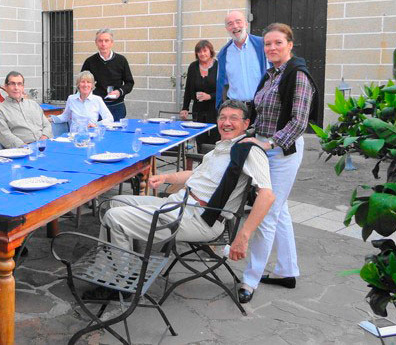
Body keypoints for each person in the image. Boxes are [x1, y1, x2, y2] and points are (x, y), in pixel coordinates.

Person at [87, 100, 275, 300]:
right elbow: (193, 175)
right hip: (179, 203)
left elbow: (267, 195)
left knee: (115, 217)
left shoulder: (249, 151)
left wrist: (243, 237)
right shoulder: (219, 149)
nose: (226, 123)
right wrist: (166, 177)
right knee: (116, 202)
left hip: (201, 219)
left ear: (246, 124)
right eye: (222, 117)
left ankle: (121, 286)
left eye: (233, 118)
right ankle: (123, 268)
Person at [239, 23, 320, 304]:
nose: (272, 48)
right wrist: (248, 134)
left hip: (281, 152)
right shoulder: (271, 75)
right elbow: (261, 113)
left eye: (277, 43)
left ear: (290, 44)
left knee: (266, 213)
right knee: (280, 210)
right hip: (264, 148)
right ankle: (287, 270)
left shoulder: (297, 75)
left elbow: (300, 122)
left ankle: (250, 280)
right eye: (268, 44)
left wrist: (269, 143)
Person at [215, 10, 268, 110]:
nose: (235, 26)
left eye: (238, 22)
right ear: (227, 29)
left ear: (246, 24)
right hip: (237, 108)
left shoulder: (262, 45)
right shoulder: (223, 54)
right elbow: (221, 84)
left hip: (262, 107)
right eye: (230, 24)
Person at [81, 28, 134, 121]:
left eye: (106, 40)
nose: (103, 44)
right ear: (96, 43)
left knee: (117, 134)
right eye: (100, 41)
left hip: (117, 106)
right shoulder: (90, 62)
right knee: (97, 132)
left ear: (112, 43)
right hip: (96, 106)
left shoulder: (121, 60)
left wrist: (119, 92)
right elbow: (81, 84)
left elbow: (129, 83)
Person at [0, 71, 53, 148]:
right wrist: (26, 147)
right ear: (6, 87)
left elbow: (47, 124)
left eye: (19, 84)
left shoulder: (34, 105)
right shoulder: (0, 110)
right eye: (12, 84)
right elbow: (5, 135)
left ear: (23, 87)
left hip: (44, 145)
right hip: (22, 150)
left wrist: (43, 139)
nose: (16, 87)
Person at [180, 40, 220, 146]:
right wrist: (185, 108)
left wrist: (210, 96)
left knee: (215, 140)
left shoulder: (219, 66)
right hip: (198, 109)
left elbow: (224, 90)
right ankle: (201, 162)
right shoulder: (193, 67)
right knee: (200, 140)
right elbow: (188, 89)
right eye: (199, 52)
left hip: (215, 109)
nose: (202, 54)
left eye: (205, 51)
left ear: (210, 51)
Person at [50, 71, 114, 131]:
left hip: (91, 135)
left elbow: (109, 118)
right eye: (83, 82)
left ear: (92, 85)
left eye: (88, 82)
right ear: (78, 84)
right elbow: (66, 116)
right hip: (74, 136)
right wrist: (51, 119)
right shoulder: (71, 99)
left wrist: (96, 124)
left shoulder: (97, 100)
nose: (85, 85)